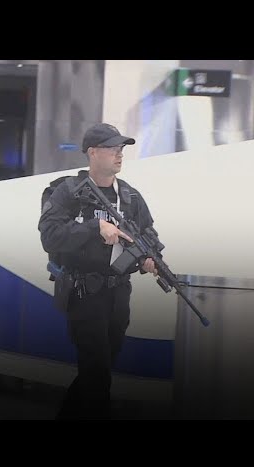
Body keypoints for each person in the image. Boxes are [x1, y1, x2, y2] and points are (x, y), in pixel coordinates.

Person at [38, 123, 158, 420]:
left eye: (121, 149)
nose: (119, 154)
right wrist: (95, 227)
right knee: (97, 373)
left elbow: (149, 233)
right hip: (84, 291)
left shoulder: (129, 196)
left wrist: (148, 256)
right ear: (92, 153)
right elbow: (50, 236)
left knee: (99, 370)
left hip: (119, 292)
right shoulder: (67, 191)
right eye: (112, 148)